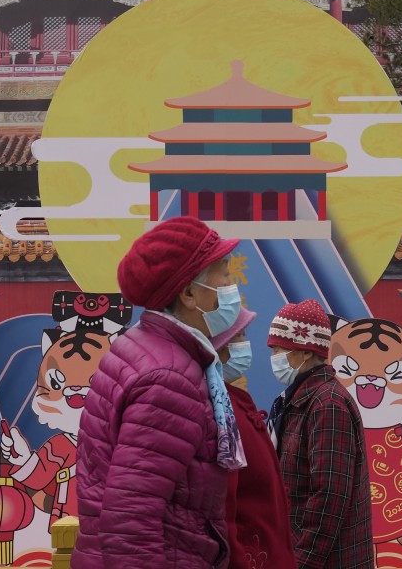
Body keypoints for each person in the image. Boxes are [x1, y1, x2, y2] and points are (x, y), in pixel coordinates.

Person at [73, 216, 246, 568]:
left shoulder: (145, 347)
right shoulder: (169, 378)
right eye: (224, 273)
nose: (232, 284)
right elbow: (130, 517)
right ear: (188, 293)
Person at [266, 300, 374, 569]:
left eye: (279, 349)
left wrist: (301, 563)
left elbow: (329, 498)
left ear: (304, 352)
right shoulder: (296, 400)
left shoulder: (327, 405)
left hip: (327, 561)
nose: (274, 356)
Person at [212, 308, 298, 569]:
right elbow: (223, 506)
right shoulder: (219, 409)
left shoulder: (232, 402)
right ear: (219, 346)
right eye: (240, 336)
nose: (246, 345)